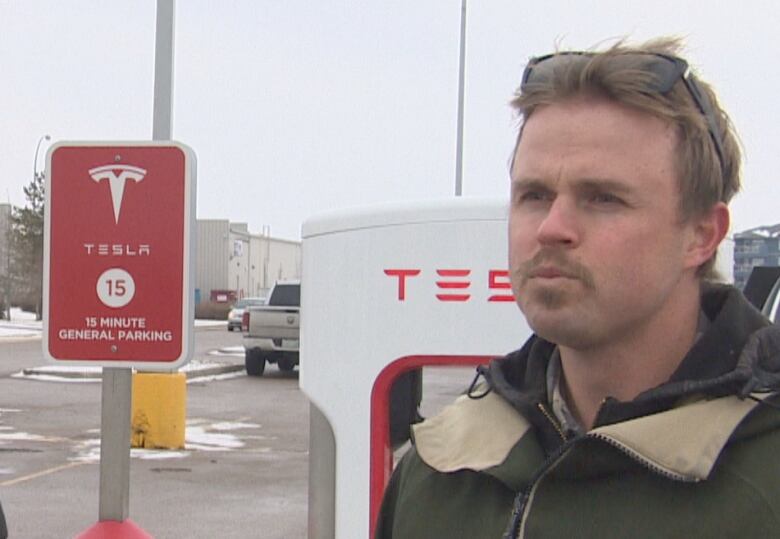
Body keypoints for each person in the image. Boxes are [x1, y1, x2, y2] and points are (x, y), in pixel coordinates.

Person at [375, 37, 780, 538]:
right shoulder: (440, 472)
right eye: (534, 195)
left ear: (701, 235)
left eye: (603, 198)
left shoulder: (764, 475)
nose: (551, 226)